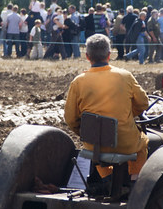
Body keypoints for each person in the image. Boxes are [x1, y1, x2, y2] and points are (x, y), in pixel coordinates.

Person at [64, 34, 150, 181]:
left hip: (94, 143)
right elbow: (143, 103)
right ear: (109, 55)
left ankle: (108, 177)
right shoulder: (125, 76)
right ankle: (135, 180)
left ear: (87, 56)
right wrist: (128, 114)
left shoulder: (78, 82)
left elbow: (70, 118)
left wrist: (88, 131)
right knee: (143, 143)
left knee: (98, 144)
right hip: (125, 142)